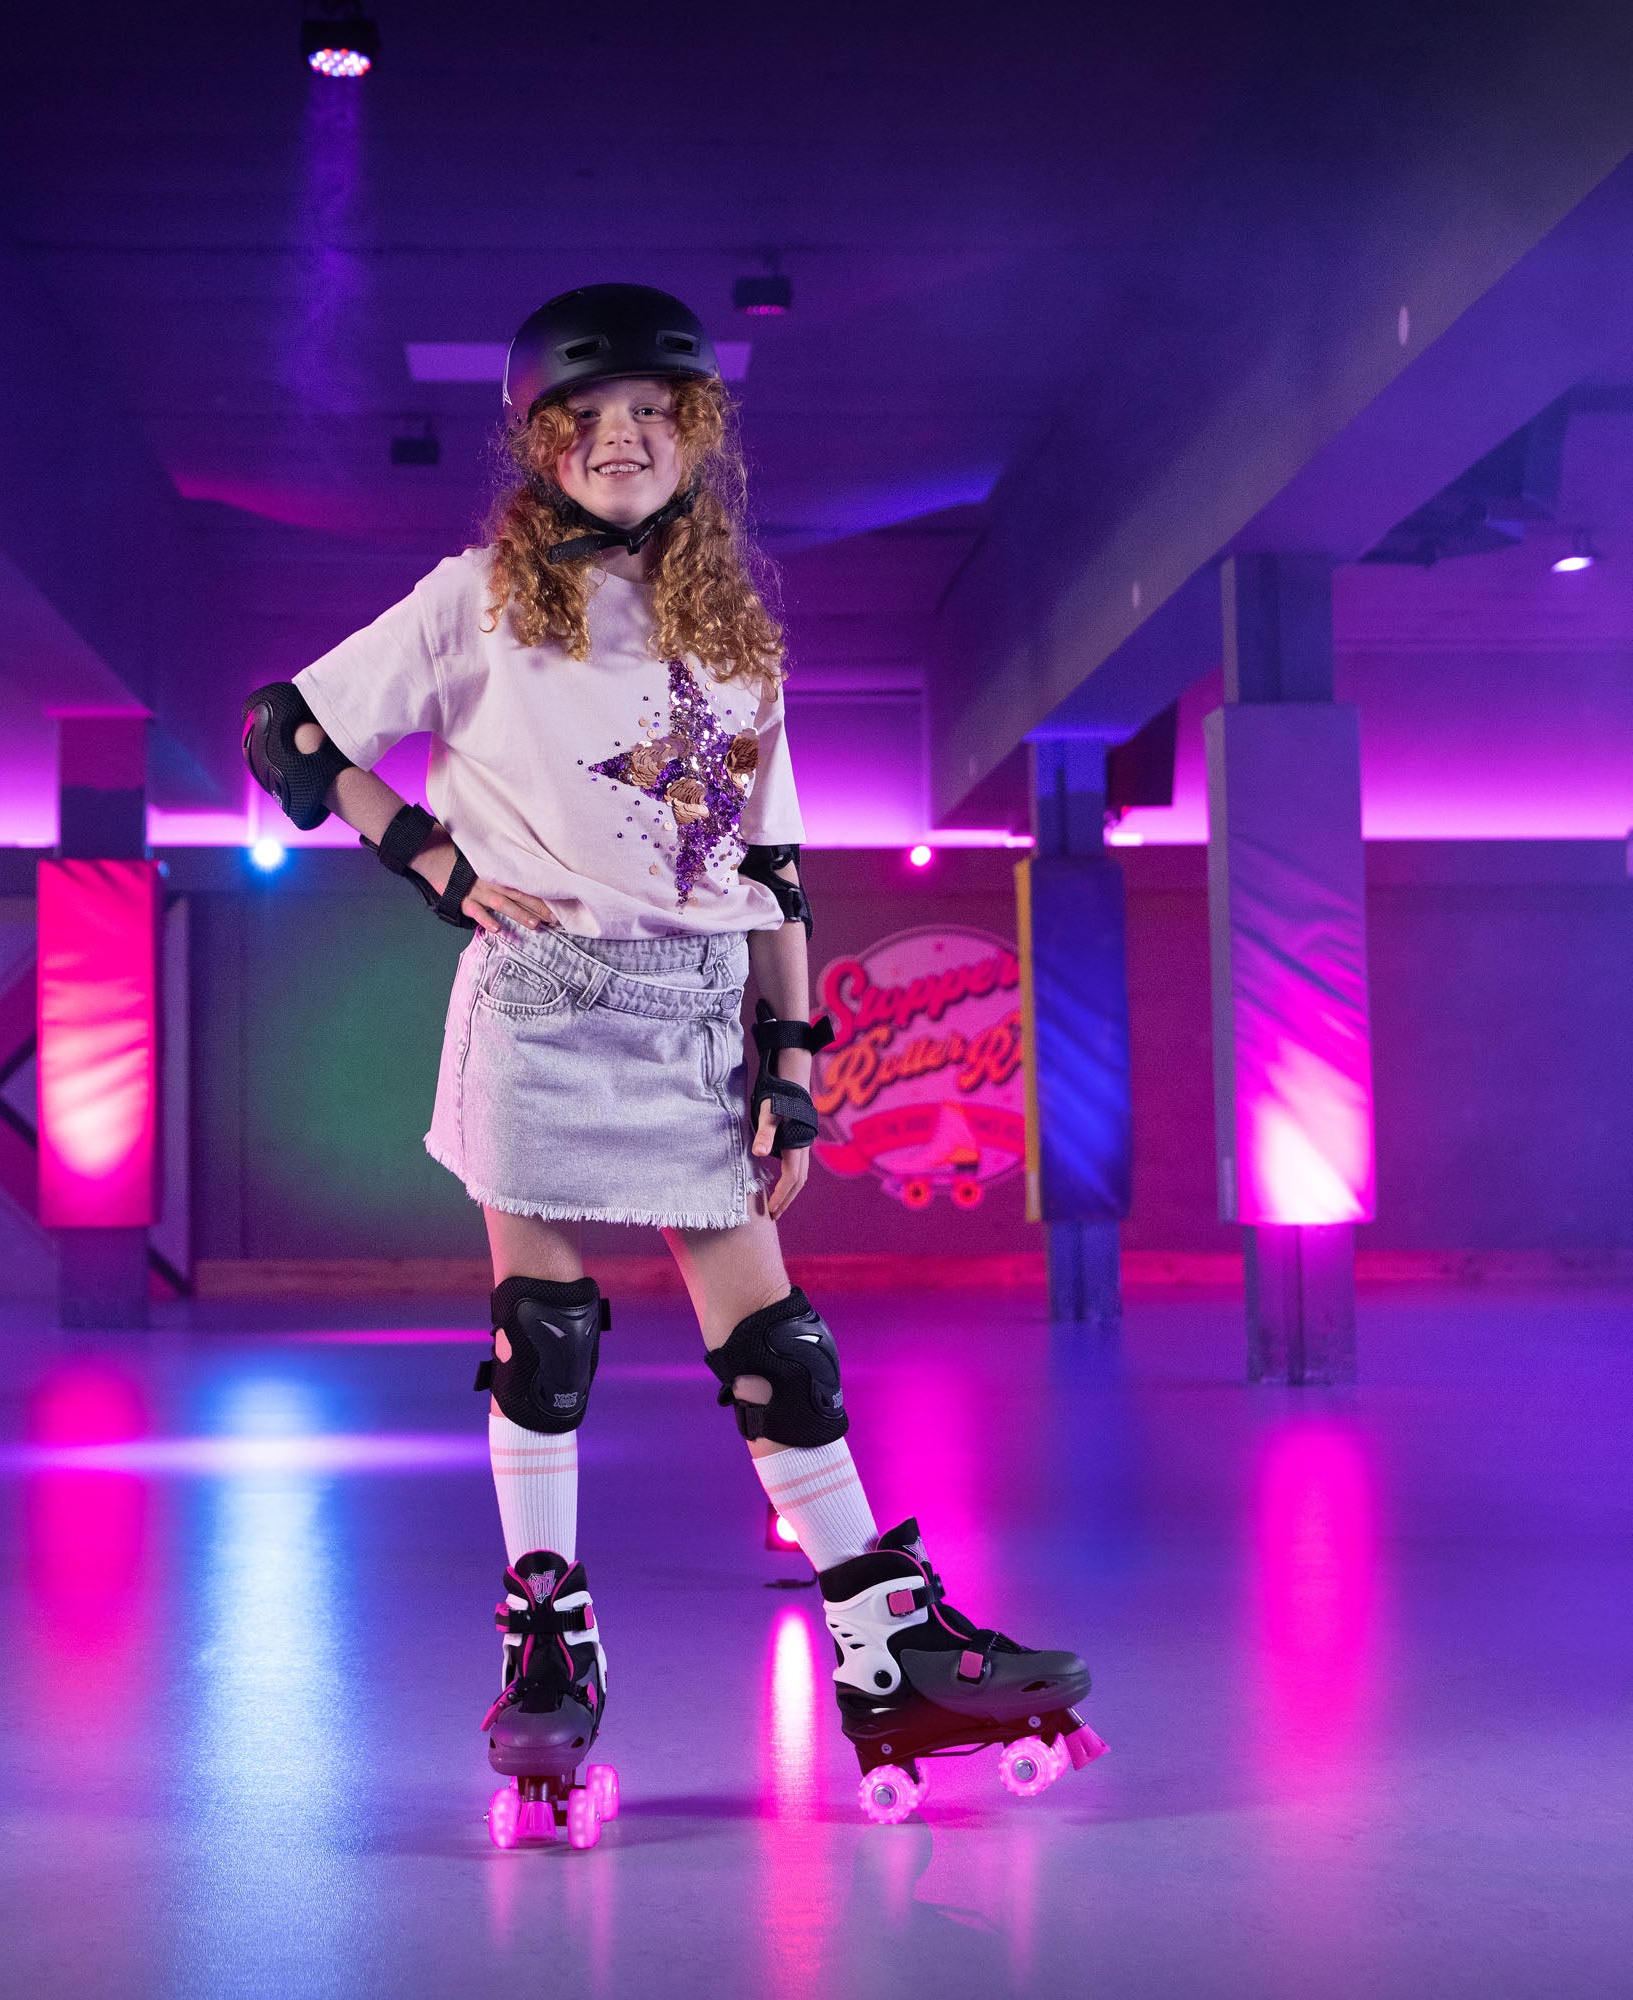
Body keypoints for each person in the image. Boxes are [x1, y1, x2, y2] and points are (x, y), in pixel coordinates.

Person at [242, 285, 1101, 1845]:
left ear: (695, 434)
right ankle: (548, 1647)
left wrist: (792, 1062)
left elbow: (772, 871)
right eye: (589, 416)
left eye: (653, 412)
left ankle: (888, 1651)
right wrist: (435, 862)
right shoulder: (477, 601)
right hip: (547, 1003)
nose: (623, 437)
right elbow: (288, 733)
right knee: (544, 1335)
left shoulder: (737, 637)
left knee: (776, 1340)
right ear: (539, 442)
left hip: (705, 1010)